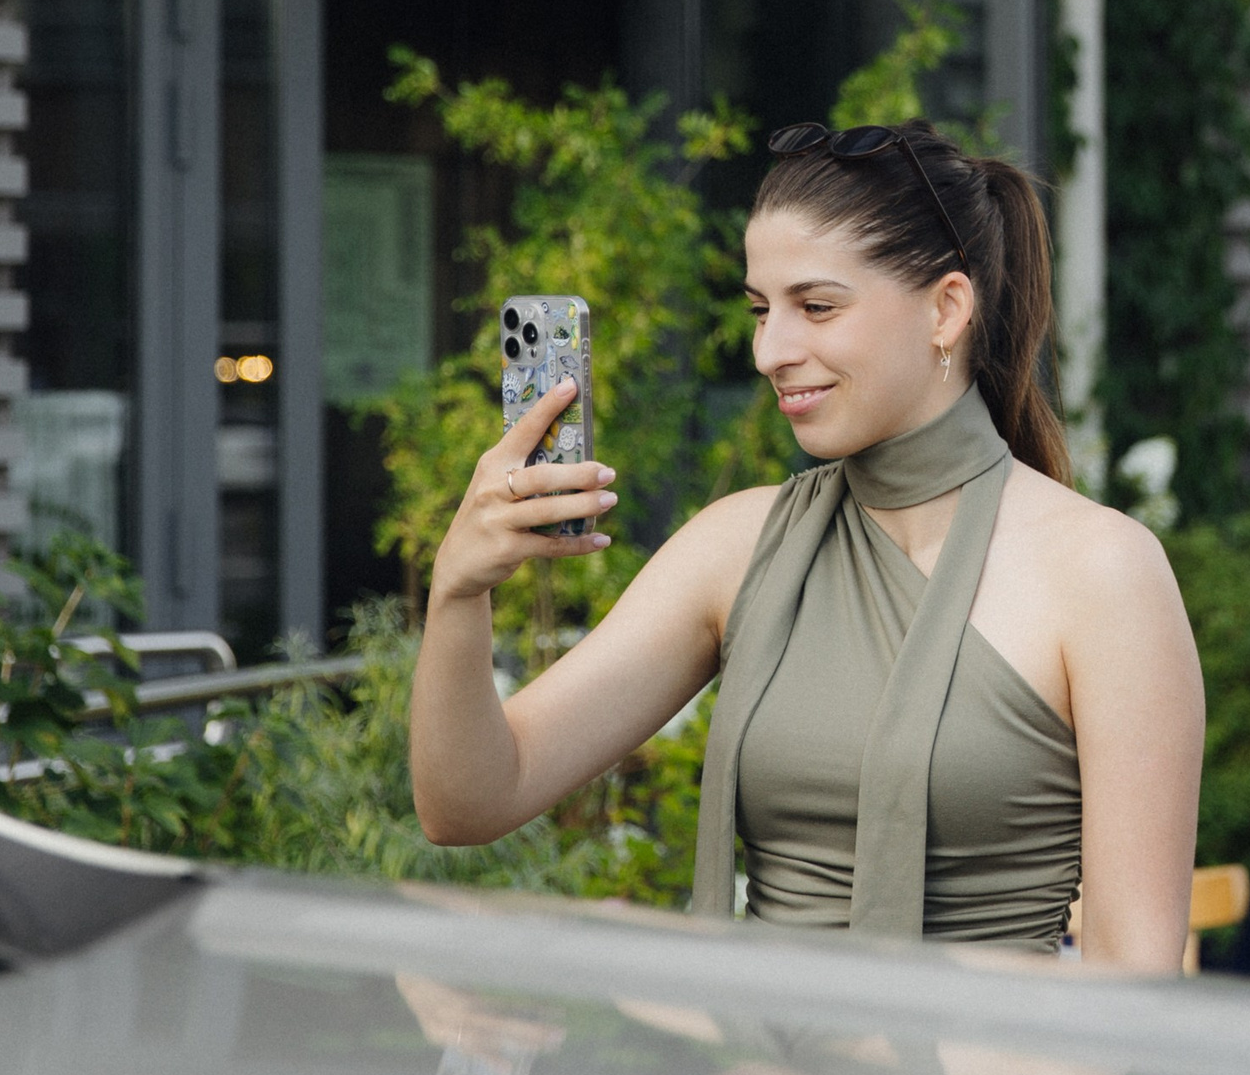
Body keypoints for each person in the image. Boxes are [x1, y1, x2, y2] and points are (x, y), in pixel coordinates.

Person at [409, 120, 1206, 971]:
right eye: (761, 310)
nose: (770, 351)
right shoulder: (734, 546)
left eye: (816, 307)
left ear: (946, 308)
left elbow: (1133, 985)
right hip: (751, 1070)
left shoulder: (1102, 572)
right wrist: (459, 591)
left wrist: (873, 1060)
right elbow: (470, 802)